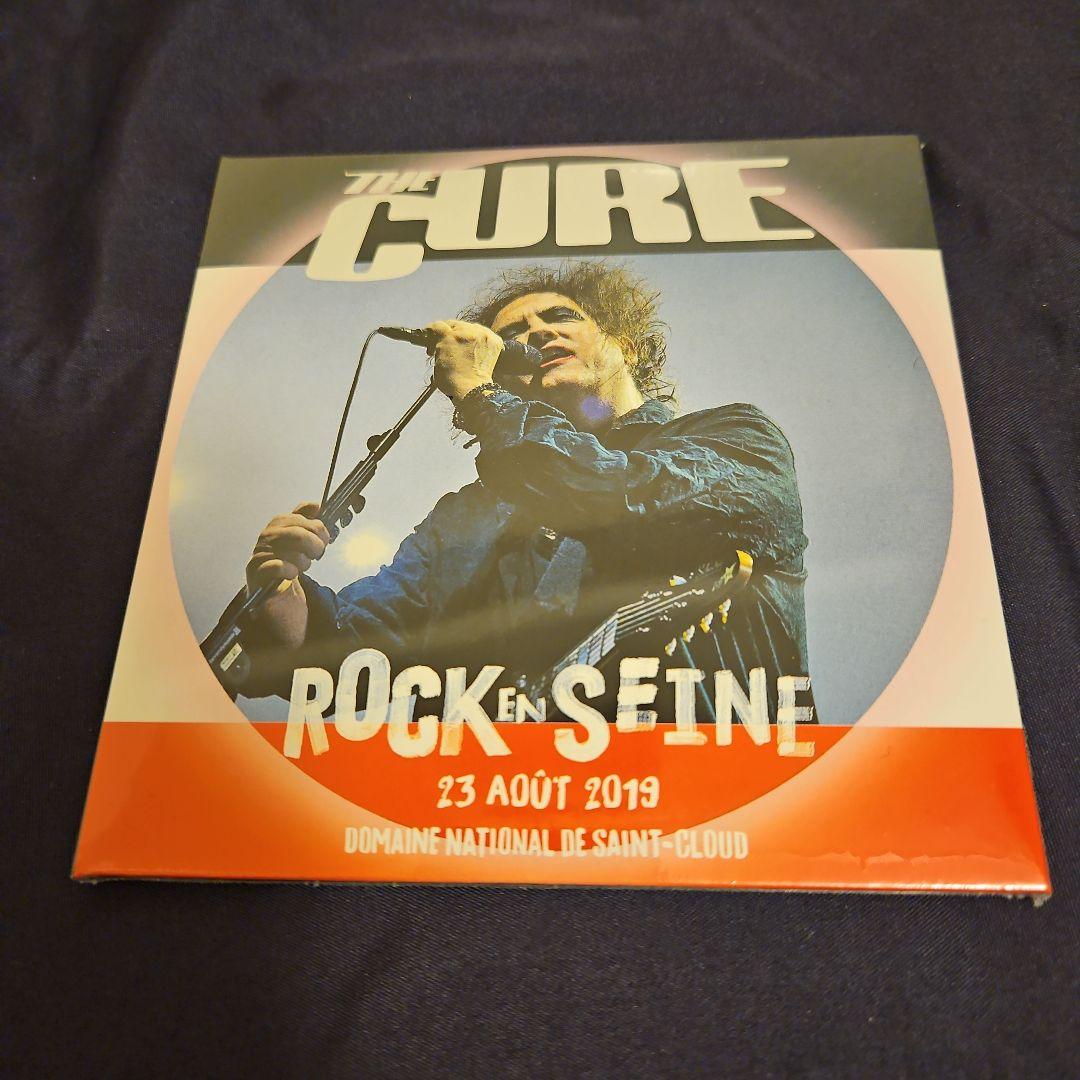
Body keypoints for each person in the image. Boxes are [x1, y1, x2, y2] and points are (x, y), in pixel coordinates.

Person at [237, 260, 813, 721]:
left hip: (700, 788)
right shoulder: (462, 519)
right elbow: (350, 654)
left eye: (560, 316)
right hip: (502, 803)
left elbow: (615, 494)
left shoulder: (739, 439)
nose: (536, 332)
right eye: (511, 335)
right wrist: (283, 596)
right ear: (503, 372)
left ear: (627, 346)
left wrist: (481, 399)